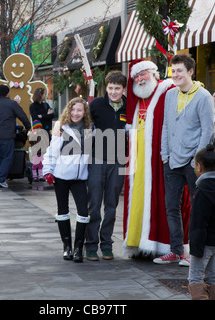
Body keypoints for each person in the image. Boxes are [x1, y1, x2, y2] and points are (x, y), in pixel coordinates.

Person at [123, 59, 192, 259]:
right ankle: (139, 243)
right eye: (136, 76)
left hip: (162, 159)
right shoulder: (136, 99)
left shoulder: (167, 91)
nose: (139, 79)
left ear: (154, 73)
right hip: (138, 161)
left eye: (143, 74)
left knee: (166, 201)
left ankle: (166, 246)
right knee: (138, 198)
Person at [157, 53, 215, 265]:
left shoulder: (203, 97)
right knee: (171, 207)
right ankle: (176, 251)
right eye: (173, 71)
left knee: (197, 207)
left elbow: (207, 131)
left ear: (191, 72)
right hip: (171, 161)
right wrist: (164, 155)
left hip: (193, 162)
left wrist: (197, 161)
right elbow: (165, 126)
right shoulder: (170, 95)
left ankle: (195, 254)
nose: (176, 75)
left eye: (180, 71)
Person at [42, 97, 93, 263]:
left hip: (79, 178)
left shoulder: (90, 129)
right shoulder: (61, 128)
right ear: (68, 111)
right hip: (61, 176)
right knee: (62, 211)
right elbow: (52, 151)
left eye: (79, 110)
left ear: (84, 112)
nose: (75, 113)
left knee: (83, 213)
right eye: (73, 110)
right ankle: (67, 247)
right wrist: (48, 170)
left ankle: (79, 247)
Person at [85, 70, 127, 261]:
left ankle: (107, 245)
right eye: (110, 88)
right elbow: (81, 121)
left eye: (117, 88)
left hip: (119, 161)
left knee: (111, 205)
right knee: (94, 204)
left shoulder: (129, 107)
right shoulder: (96, 105)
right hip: (97, 160)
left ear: (123, 89)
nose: (113, 92)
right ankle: (91, 246)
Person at [187, 144, 215, 300]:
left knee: (195, 279)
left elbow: (198, 222)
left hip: (203, 242)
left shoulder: (202, 190)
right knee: (211, 278)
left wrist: (195, 248)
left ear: (198, 166)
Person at [0, 84, 31, 188]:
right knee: (8, 157)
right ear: (8, 93)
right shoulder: (12, 103)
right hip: (6, 135)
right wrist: (27, 126)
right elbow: (22, 116)